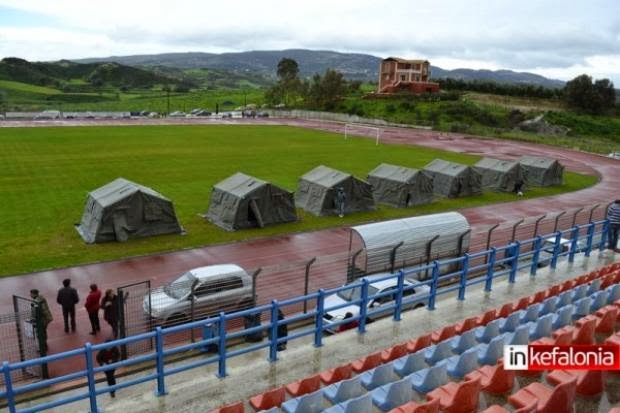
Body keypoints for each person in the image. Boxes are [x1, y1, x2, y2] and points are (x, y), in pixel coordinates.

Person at [30, 289, 53, 354]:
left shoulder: (37, 301)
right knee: (43, 333)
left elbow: (41, 311)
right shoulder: (40, 299)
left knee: (40, 334)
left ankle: (43, 347)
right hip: (44, 319)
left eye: (31, 294)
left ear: (34, 294)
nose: (30, 295)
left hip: (42, 320)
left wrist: (34, 318)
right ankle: (44, 345)